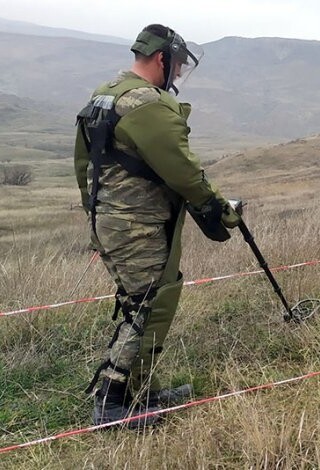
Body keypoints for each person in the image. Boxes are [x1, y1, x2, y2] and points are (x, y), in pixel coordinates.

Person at [74, 24, 240, 427]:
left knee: (143, 302)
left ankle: (143, 391)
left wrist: (98, 216)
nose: (179, 75)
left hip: (111, 221)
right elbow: (182, 170)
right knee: (148, 306)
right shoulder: (146, 103)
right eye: (178, 66)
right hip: (137, 226)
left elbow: (84, 166)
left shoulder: (107, 93)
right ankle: (111, 403)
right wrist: (217, 209)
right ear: (162, 58)